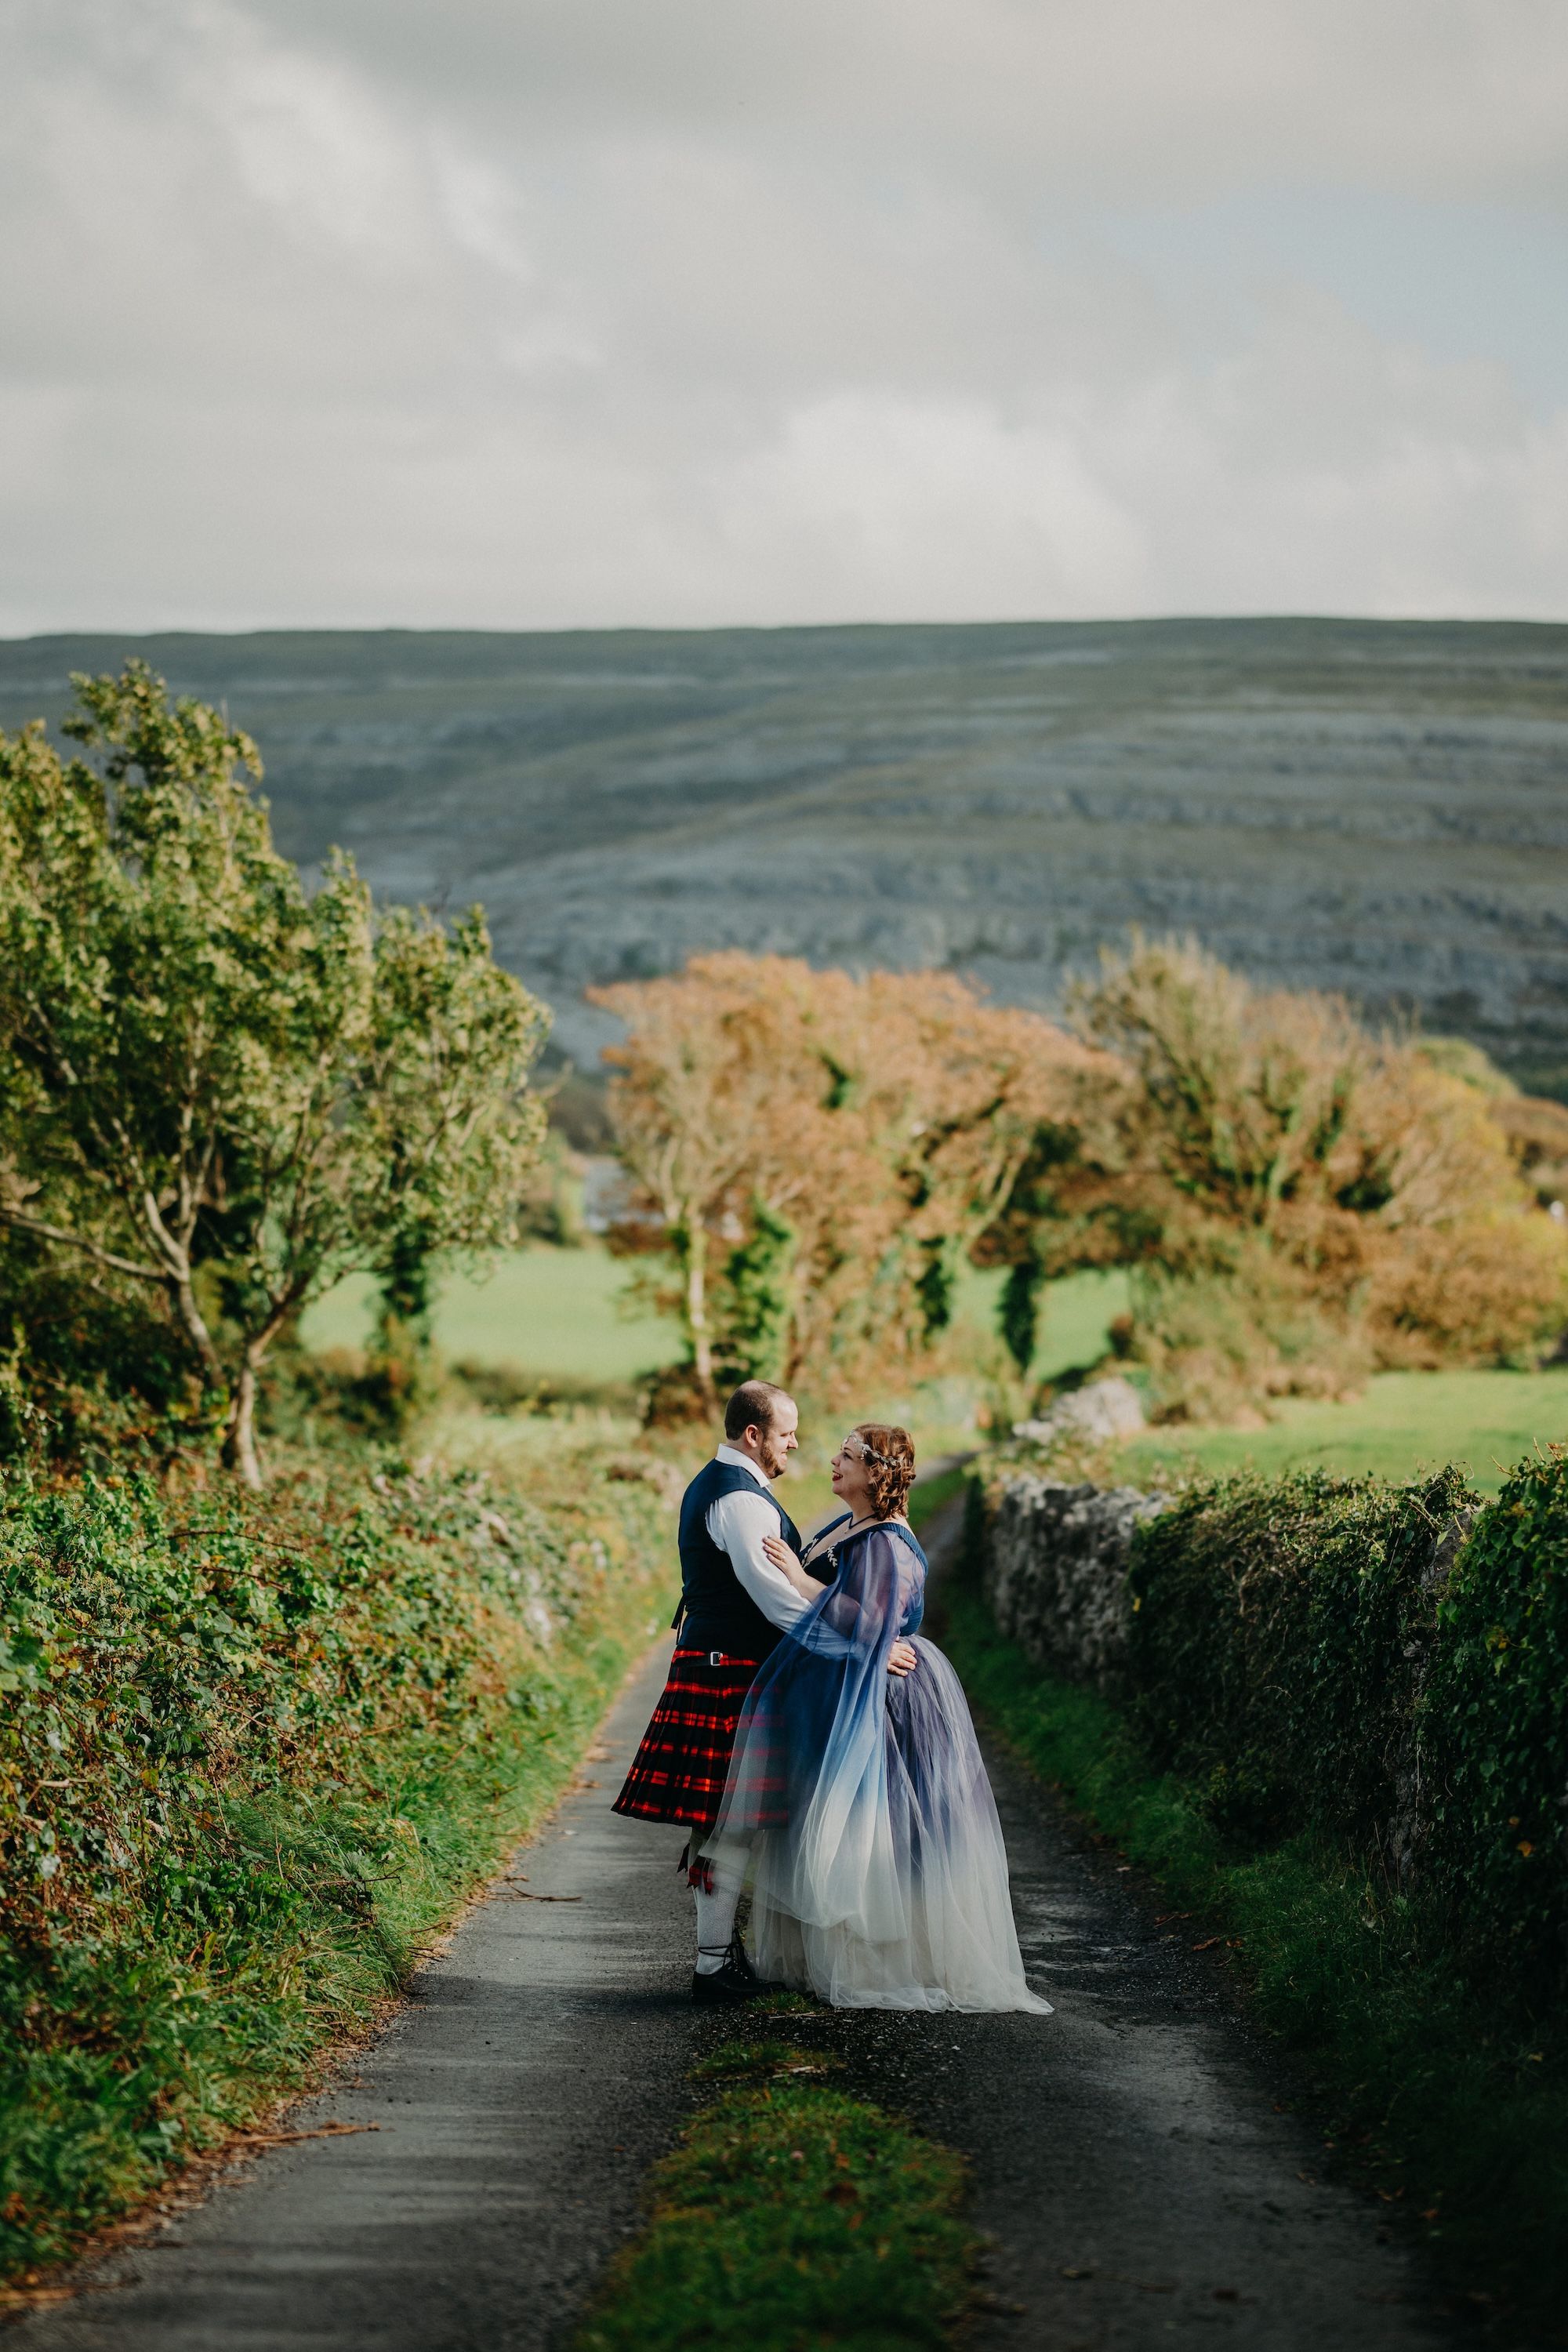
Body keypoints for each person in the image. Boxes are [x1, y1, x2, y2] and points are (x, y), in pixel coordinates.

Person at [701, 1423, 1053, 2015]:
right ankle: (824, 1959)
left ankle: (881, 1963)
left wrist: (797, 1577)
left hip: (888, 1698)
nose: (833, 1463)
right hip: (851, 1686)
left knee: (875, 1827)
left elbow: (872, 1625)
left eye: (846, 1457)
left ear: (875, 1473)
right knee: (841, 1823)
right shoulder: (853, 1524)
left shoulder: (887, 1541)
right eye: (837, 1453)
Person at [612, 1381, 917, 2002]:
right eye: (786, 1433)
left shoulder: (736, 1489)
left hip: (725, 1668)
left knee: (723, 1826)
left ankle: (717, 1959)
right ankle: (713, 1968)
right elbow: (777, 1602)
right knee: (729, 1827)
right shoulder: (739, 1500)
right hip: (727, 1671)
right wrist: (864, 1648)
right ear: (754, 1435)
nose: (797, 1443)